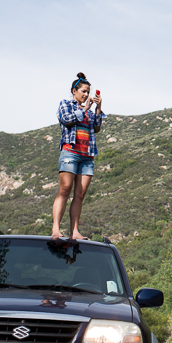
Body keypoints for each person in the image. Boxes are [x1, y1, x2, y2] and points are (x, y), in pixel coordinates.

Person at [52, 72, 105, 240]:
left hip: (87, 156)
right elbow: (67, 119)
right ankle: (56, 229)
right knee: (65, 189)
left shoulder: (89, 110)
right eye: (83, 91)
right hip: (70, 152)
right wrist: (86, 108)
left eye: (88, 92)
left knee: (80, 195)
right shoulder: (66, 104)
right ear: (74, 91)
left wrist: (97, 109)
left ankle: (75, 231)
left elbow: (96, 128)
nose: (86, 95)